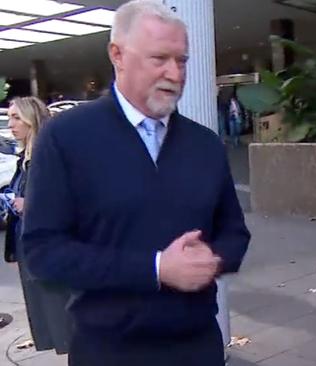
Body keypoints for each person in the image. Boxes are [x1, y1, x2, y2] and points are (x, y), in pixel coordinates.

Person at [21, 1, 250, 365]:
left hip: (198, 347)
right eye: (159, 58)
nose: (174, 74)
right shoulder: (66, 137)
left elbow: (235, 233)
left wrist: (213, 259)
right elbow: (43, 253)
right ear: (118, 55)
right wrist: (157, 269)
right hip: (109, 350)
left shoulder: (204, 144)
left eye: (182, 60)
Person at [3, 96, 71, 354]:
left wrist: (27, 204)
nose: (11, 124)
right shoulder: (25, 158)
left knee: (62, 317)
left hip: (47, 247)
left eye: (16, 117)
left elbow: (65, 199)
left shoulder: (49, 154)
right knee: (48, 316)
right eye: (9, 117)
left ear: (31, 120)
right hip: (28, 244)